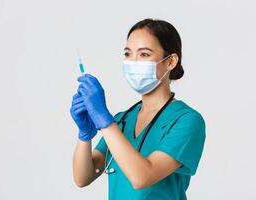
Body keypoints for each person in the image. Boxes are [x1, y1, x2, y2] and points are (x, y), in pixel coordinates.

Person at [70, 18, 206, 200]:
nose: (133, 62)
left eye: (144, 54)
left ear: (171, 61)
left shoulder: (186, 120)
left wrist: (104, 121)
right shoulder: (122, 120)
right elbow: (83, 177)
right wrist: (84, 135)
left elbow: (142, 177)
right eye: (128, 54)